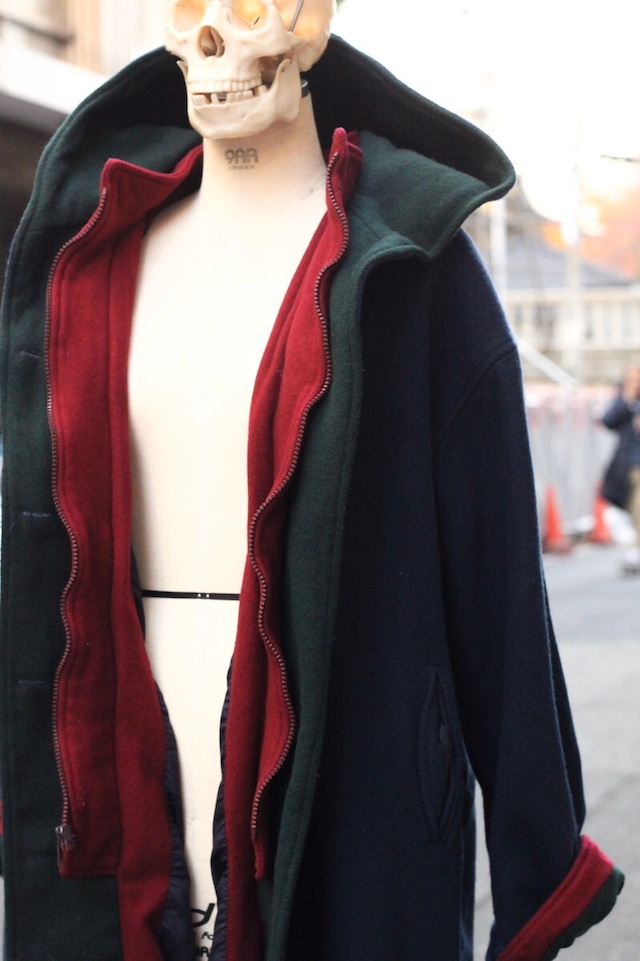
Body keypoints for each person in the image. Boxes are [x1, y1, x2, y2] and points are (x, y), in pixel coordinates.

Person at [0, 3, 623, 961]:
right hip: (119, 746)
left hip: (353, 771)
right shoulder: (90, 258)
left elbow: (498, 586)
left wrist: (538, 851)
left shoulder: (417, 268)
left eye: (249, 7)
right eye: (191, 9)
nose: (214, 34)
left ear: (311, 23)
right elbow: (38, 544)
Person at [602, 363, 640, 571]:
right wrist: (627, 399)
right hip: (628, 463)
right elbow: (608, 420)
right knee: (631, 505)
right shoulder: (625, 399)